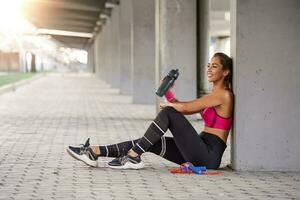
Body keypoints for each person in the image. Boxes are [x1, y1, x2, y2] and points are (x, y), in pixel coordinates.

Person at [67, 52, 233, 170]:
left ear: (225, 72)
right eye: (209, 65)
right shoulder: (212, 95)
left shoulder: (224, 95)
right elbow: (184, 108)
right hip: (199, 147)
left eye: (215, 66)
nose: (209, 69)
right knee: (153, 142)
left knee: (168, 113)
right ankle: (95, 152)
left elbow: (185, 108)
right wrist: (168, 93)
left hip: (209, 154)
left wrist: (170, 108)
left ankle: (133, 156)